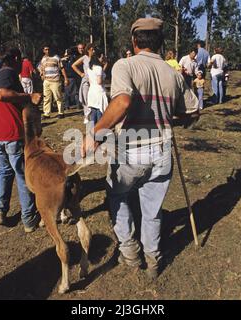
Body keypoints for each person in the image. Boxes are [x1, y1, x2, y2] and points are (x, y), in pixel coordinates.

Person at [81, 18, 199, 280]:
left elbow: (122, 101)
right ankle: (153, 260)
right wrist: (173, 118)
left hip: (132, 150)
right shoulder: (174, 74)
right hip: (161, 151)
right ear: (159, 43)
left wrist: (96, 132)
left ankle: (131, 252)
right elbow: (193, 111)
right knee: (152, 210)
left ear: (134, 42)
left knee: (117, 196)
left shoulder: (126, 65)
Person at [0, 47, 43, 233]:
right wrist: (29, 96)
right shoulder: (8, 72)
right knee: (22, 174)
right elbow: (1, 95)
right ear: (14, 59)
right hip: (11, 134)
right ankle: (28, 219)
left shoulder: (0, 74)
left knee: (4, 171)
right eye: (20, 59)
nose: (22, 63)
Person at [40, 45, 69, 119]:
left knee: (58, 97)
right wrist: (42, 76)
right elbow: (42, 68)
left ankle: (61, 112)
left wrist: (65, 78)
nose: (47, 51)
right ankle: (46, 114)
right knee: (46, 98)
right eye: (46, 49)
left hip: (55, 81)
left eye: (48, 49)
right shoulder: (43, 59)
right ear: (43, 51)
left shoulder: (56, 57)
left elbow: (62, 68)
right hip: (46, 81)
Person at [72, 43, 95, 123]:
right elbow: (73, 65)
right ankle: (86, 116)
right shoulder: (84, 58)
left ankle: (93, 116)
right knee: (86, 99)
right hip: (86, 81)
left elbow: (104, 64)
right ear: (88, 50)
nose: (93, 51)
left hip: (95, 81)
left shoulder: (95, 58)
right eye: (92, 49)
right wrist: (81, 74)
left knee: (93, 99)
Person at [87, 50, 108, 124]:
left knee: (93, 113)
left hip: (92, 90)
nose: (102, 59)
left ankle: (91, 133)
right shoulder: (99, 68)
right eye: (102, 57)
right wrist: (104, 81)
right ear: (98, 58)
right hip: (99, 92)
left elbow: (90, 81)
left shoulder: (89, 68)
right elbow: (99, 81)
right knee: (100, 113)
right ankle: (100, 133)